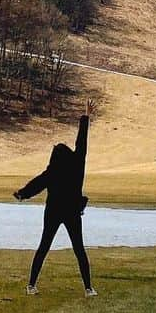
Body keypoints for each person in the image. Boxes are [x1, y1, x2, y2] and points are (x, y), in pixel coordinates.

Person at [14, 99, 97, 297]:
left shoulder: (52, 172)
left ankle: (31, 285)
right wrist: (86, 116)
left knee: (44, 246)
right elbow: (82, 142)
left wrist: (22, 194)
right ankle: (88, 288)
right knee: (79, 249)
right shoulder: (77, 165)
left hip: (53, 211)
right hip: (72, 212)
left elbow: (36, 184)